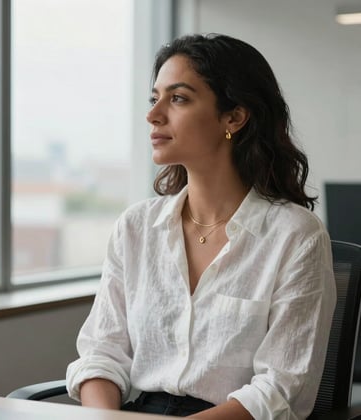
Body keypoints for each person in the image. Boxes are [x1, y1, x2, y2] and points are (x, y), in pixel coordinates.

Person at [66, 33, 336, 419]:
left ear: (234, 117)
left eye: (178, 98)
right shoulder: (136, 227)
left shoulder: (295, 235)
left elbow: (279, 390)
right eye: (154, 98)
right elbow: (101, 354)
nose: (153, 114)